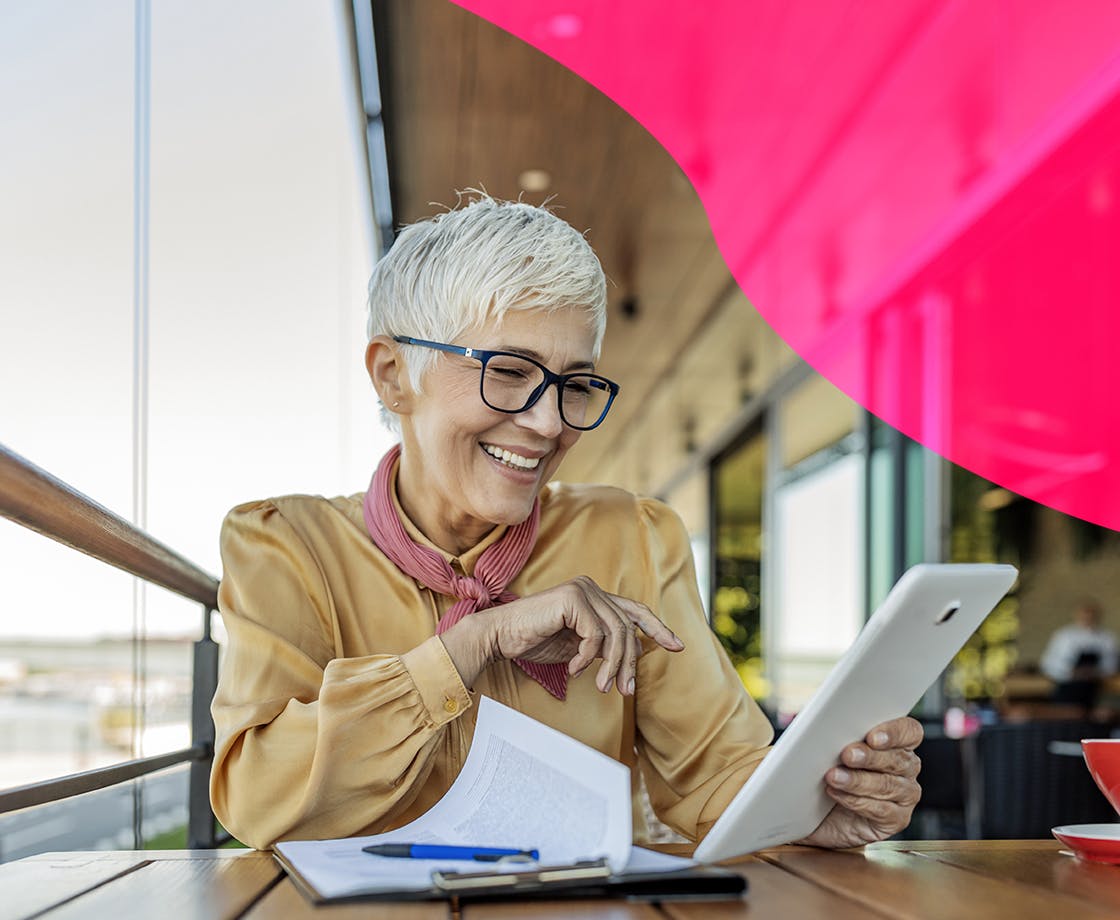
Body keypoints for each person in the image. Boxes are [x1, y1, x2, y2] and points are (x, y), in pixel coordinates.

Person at [209, 195, 922, 851]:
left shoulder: (635, 539)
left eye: (572, 384)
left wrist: (818, 808)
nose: (549, 423)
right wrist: (472, 643)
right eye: (509, 372)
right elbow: (257, 798)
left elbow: (713, 777)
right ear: (394, 375)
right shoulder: (284, 548)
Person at [1040, 599, 1118, 708]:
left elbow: (1111, 664)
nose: (1087, 618)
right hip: (1068, 687)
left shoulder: (1106, 638)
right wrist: (1071, 672)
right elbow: (1049, 664)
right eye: (1084, 615)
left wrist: (1095, 672)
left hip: (1095, 690)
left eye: (1091, 615)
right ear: (1077, 615)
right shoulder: (1063, 636)